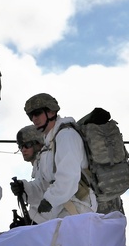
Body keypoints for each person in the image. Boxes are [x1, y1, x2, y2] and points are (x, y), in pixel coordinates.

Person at [9, 93, 96, 224]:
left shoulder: (66, 135)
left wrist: (50, 200)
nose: (34, 119)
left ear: (51, 112)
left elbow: (68, 178)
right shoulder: (48, 145)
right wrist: (24, 188)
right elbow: (44, 186)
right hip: (61, 210)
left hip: (78, 209)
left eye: (37, 113)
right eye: (30, 116)